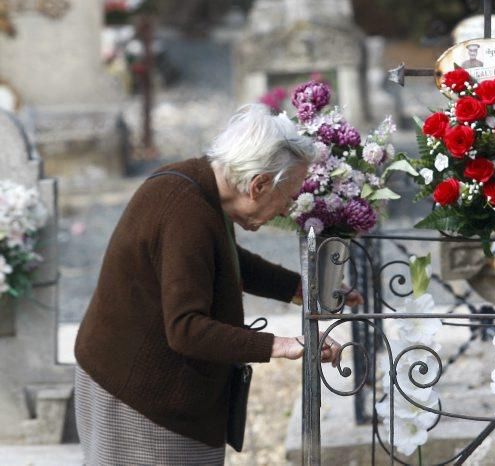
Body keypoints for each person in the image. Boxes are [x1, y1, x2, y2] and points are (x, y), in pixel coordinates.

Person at [73, 104, 362, 465]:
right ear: (258, 185)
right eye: (286, 197)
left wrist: (304, 290)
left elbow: (225, 259)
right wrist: (285, 345)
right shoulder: (185, 212)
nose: (287, 210)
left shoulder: (203, 189)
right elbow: (186, 329)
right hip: (138, 397)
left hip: (152, 386)